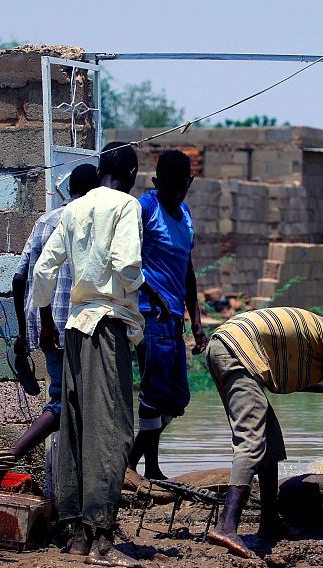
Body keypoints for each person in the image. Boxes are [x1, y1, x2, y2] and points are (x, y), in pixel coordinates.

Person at [31, 142, 171, 568]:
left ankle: (76, 536)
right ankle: (103, 541)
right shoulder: (126, 207)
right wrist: (139, 293)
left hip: (73, 329)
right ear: (129, 173)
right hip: (107, 327)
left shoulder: (73, 208)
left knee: (76, 430)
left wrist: (46, 321)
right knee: (113, 432)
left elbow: (42, 269)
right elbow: (126, 263)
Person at [204, 306, 323, 558]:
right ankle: (226, 527)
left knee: (271, 442)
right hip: (239, 353)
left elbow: (288, 379)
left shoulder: (317, 331)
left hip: (227, 344)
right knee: (252, 442)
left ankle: (269, 522)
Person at [6, 163, 100, 464]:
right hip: (74, 323)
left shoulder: (45, 221)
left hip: (45, 325)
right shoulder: (90, 222)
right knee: (64, 400)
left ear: (69, 189)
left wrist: (24, 332)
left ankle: (68, 475)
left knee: (73, 401)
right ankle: (9, 458)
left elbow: (19, 278)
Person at [127, 150, 207, 480]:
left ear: (189, 183)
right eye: (170, 187)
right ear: (158, 183)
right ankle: (145, 466)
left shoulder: (186, 214)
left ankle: (132, 460)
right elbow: (128, 258)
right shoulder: (146, 208)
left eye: (182, 187)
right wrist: (148, 293)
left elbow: (187, 270)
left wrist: (197, 321)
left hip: (175, 317)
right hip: (149, 313)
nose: (176, 193)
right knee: (155, 391)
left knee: (176, 398)